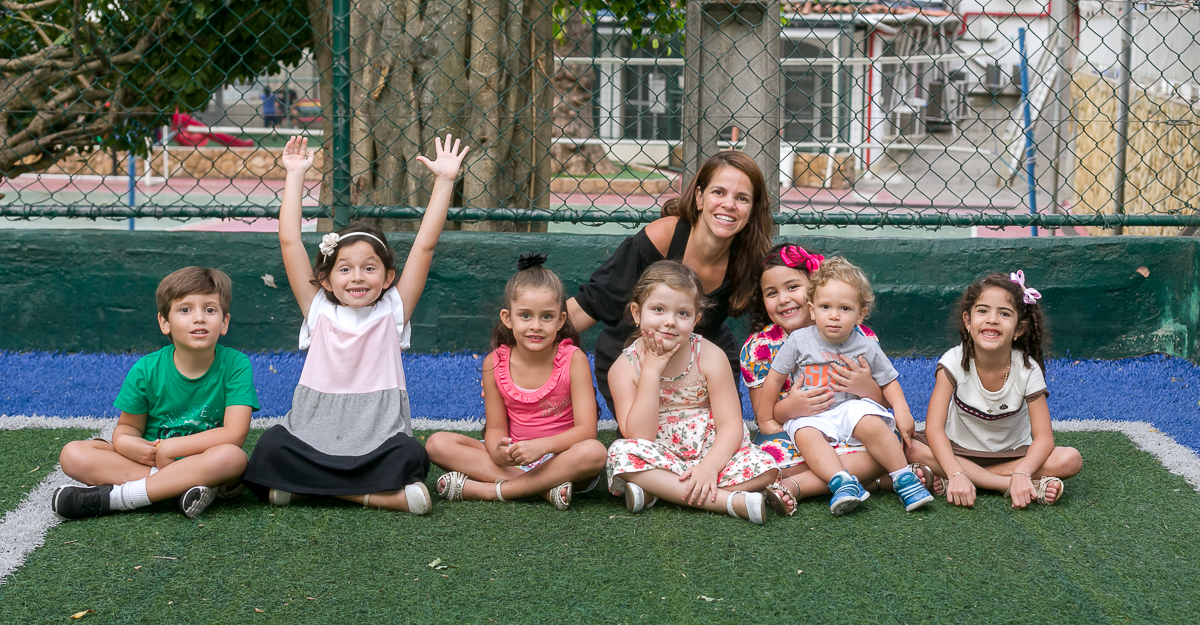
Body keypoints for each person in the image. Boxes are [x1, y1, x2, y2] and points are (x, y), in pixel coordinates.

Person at [241, 134, 469, 514]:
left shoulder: (394, 309)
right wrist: (295, 174)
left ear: (388, 277)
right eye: (345, 269)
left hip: (376, 438)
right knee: (268, 448)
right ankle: (378, 498)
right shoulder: (317, 307)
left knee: (410, 455)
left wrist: (445, 180)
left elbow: (425, 246)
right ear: (327, 280)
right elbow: (289, 242)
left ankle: (302, 491)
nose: (358, 277)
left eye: (369, 268)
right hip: (313, 436)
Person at [568, 151, 774, 420]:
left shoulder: (751, 258)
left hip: (703, 360)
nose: (729, 204)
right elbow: (592, 303)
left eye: (742, 198)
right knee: (648, 444)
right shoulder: (662, 237)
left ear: (752, 209)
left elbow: (786, 310)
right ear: (699, 197)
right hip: (637, 352)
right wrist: (526, 337)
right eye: (719, 192)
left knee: (721, 443)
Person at [740, 244, 943, 515]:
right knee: (774, 460)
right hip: (801, 427)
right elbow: (767, 415)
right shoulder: (761, 347)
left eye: (792, 287)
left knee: (881, 433)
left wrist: (864, 387)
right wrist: (789, 408)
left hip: (853, 418)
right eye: (772, 292)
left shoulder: (862, 339)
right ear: (815, 307)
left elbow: (884, 393)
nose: (784, 299)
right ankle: (877, 479)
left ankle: (807, 485)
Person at [53, 267, 259, 520]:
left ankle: (119, 498)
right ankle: (182, 487)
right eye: (185, 310)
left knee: (233, 457)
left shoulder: (236, 364)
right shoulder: (146, 369)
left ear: (224, 322)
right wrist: (129, 444)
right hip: (150, 463)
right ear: (164, 322)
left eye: (210, 309)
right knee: (73, 454)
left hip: (206, 461)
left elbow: (234, 434)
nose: (199, 318)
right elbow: (127, 428)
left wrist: (171, 447)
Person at [425, 253, 608, 508]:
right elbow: (496, 429)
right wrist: (497, 450)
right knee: (437, 444)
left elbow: (587, 430)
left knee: (594, 452)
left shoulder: (572, 359)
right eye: (525, 315)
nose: (536, 325)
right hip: (516, 458)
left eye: (546, 316)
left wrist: (542, 446)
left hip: (562, 458)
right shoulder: (494, 362)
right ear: (508, 318)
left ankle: (491, 491)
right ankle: (542, 489)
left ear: (561, 321)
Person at [606, 261, 781, 525]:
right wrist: (652, 371)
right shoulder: (624, 368)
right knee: (620, 454)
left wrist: (710, 466)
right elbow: (639, 436)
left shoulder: (710, 355)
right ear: (636, 313)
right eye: (658, 309)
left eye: (683, 313)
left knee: (766, 467)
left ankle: (660, 491)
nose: (669, 322)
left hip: (712, 452)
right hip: (660, 453)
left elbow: (732, 424)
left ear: (696, 319)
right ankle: (730, 502)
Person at [909, 271, 1082, 508]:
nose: (992, 319)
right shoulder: (953, 360)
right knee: (909, 448)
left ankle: (965, 478)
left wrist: (1023, 470)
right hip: (957, 449)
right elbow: (934, 428)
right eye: (982, 310)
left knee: (1070, 459)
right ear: (968, 321)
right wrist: (957, 471)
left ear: (1019, 329)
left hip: (1012, 455)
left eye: (1004, 313)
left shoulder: (1027, 369)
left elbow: (1043, 438)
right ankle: (1004, 485)